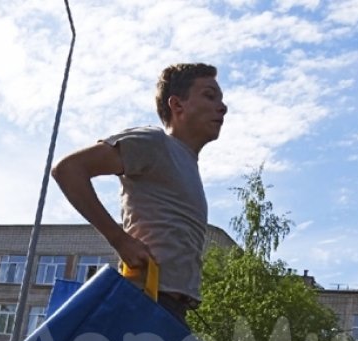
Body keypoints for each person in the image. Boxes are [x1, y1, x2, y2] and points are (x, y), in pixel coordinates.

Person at [51, 62, 227, 324]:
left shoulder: (188, 163)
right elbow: (68, 170)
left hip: (171, 309)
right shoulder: (154, 143)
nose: (222, 107)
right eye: (210, 96)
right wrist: (119, 239)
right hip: (144, 301)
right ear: (177, 105)